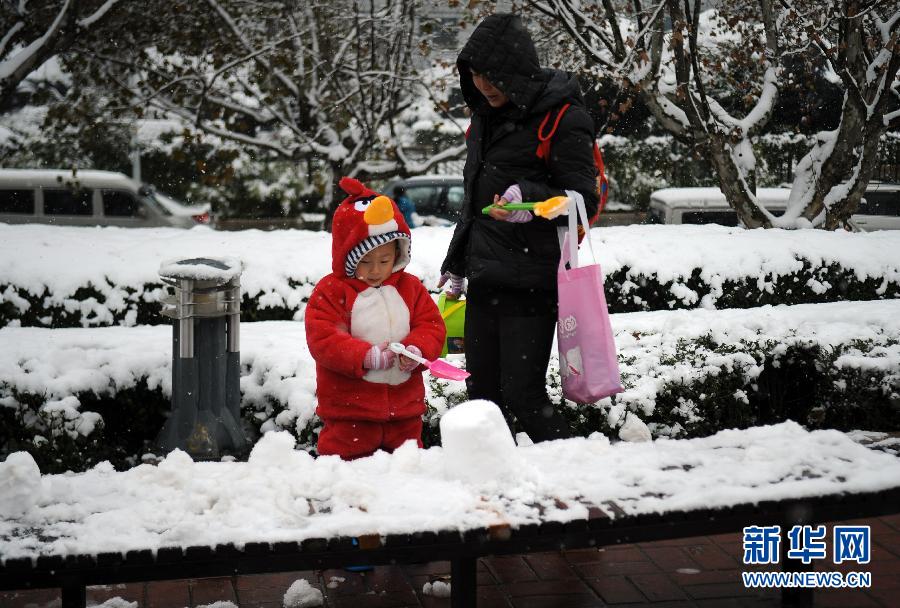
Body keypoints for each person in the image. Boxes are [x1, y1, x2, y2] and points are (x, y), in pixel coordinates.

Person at [438, 13, 599, 443]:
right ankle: (494, 484)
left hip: (531, 279)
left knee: (523, 394)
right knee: (481, 394)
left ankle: (575, 473)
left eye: (492, 76)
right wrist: (456, 262)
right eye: (474, 75)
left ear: (515, 70)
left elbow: (584, 197)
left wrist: (526, 202)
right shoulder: (483, 117)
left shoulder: (562, 116)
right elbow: (473, 200)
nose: (484, 85)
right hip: (485, 276)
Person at [306, 177, 445, 460]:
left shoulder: (410, 287)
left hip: (405, 411)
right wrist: (364, 356)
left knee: (408, 468)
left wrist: (417, 350)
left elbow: (430, 325)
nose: (375, 270)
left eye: (384, 260)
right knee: (344, 468)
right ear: (347, 256)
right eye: (365, 262)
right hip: (350, 411)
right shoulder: (332, 291)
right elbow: (323, 338)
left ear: (398, 252)